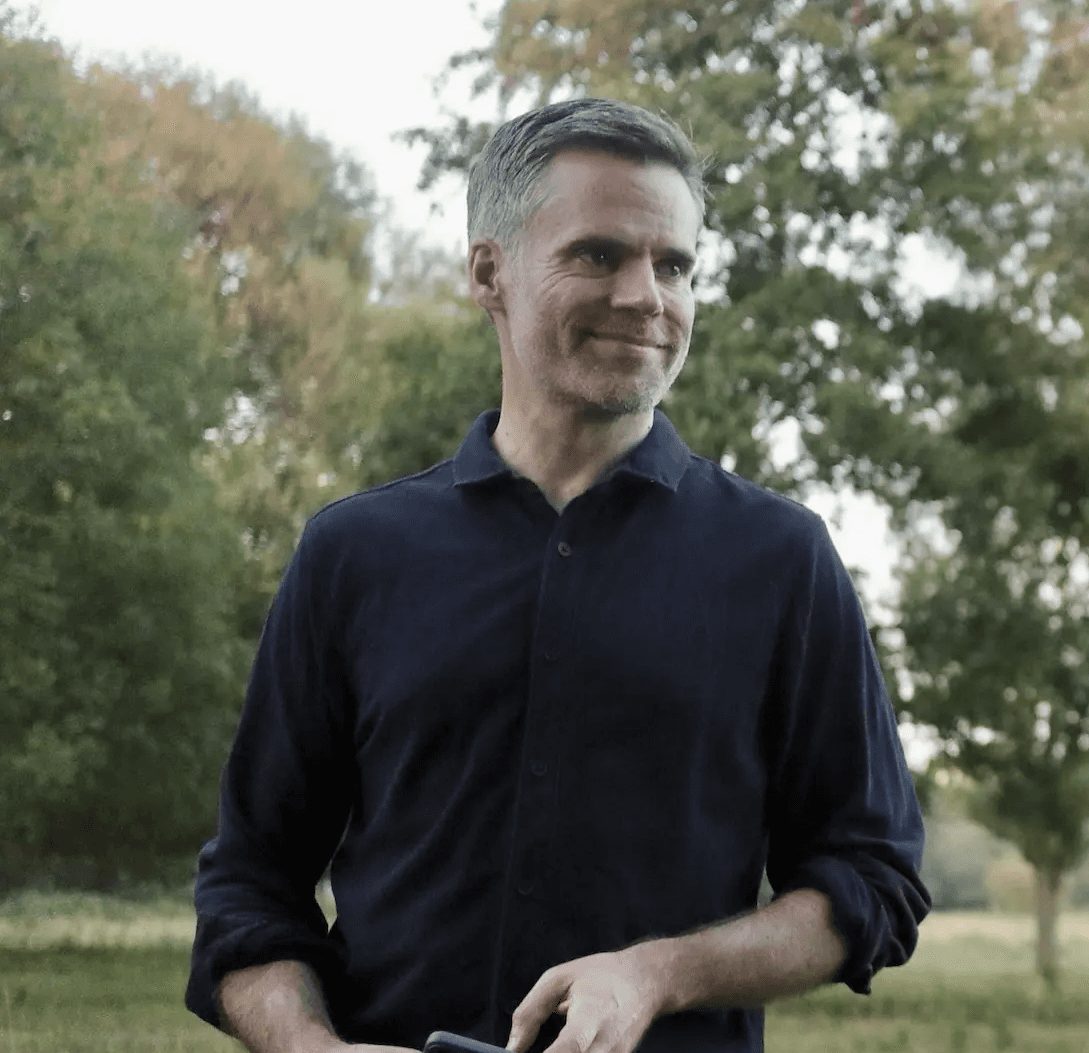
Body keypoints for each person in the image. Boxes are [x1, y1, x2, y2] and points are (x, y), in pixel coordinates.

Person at [185, 98, 929, 1053]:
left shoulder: (782, 559)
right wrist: (308, 1047)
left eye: (675, 265)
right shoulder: (352, 555)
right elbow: (251, 886)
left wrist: (660, 973)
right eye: (599, 255)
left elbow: (872, 878)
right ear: (489, 272)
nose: (646, 298)